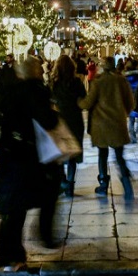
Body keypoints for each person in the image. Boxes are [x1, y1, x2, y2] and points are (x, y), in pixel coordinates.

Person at [0, 57, 62, 271]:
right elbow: (48, 121)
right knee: (43, 194)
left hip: (9, 151)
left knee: (14, 208)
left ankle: (10, 256)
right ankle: (42, 236)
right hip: (30, 154)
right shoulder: (37, 91)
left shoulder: (10, 90)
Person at [79, 56, 135, 198]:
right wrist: (123, 114)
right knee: (119, 156)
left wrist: (79, 102)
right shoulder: (121, 80)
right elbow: (130, 102)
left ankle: (103, 184)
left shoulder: (99, 82)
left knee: (102, 155)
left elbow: (88, 102)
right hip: (118, 123)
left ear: (103, 66)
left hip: (101, 125)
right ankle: (126, 184)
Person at [49, 54, 86, 197]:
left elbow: (50, 99)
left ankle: (63, 181)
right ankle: (70, 185)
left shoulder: (54, 83)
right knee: (72, 155)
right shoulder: (76, 82)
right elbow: (83, 99)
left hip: (59, 120)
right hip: (75, 120)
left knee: (59, 153)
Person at [123, 58, 138, 143]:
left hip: (130, 99)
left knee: (131, 119)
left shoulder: (126, 76)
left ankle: (132, 136)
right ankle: (134, 133)